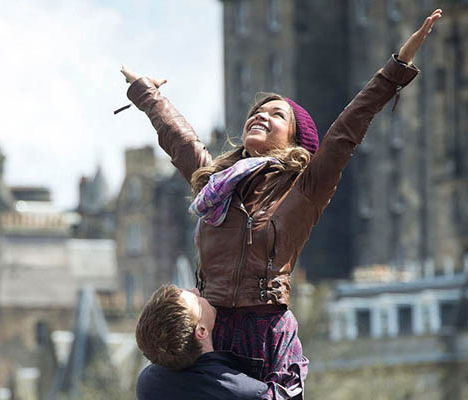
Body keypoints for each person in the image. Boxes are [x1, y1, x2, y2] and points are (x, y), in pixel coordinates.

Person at [121, 9, 442, 399]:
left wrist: (397, 67)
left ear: (293, 139)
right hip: (210, 334)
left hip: (260, 336)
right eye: (259, 110)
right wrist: (148, 95)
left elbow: (349, 126)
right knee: (150, 384)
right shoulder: (215, 184)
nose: (261, 114)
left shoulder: (303, 189)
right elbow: (180, 141)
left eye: (277, 115)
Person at [135, 284, 268, 400]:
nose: (197, 291)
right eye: (197, 301)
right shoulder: (249, 393)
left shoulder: (148, 386)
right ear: (201, 331)